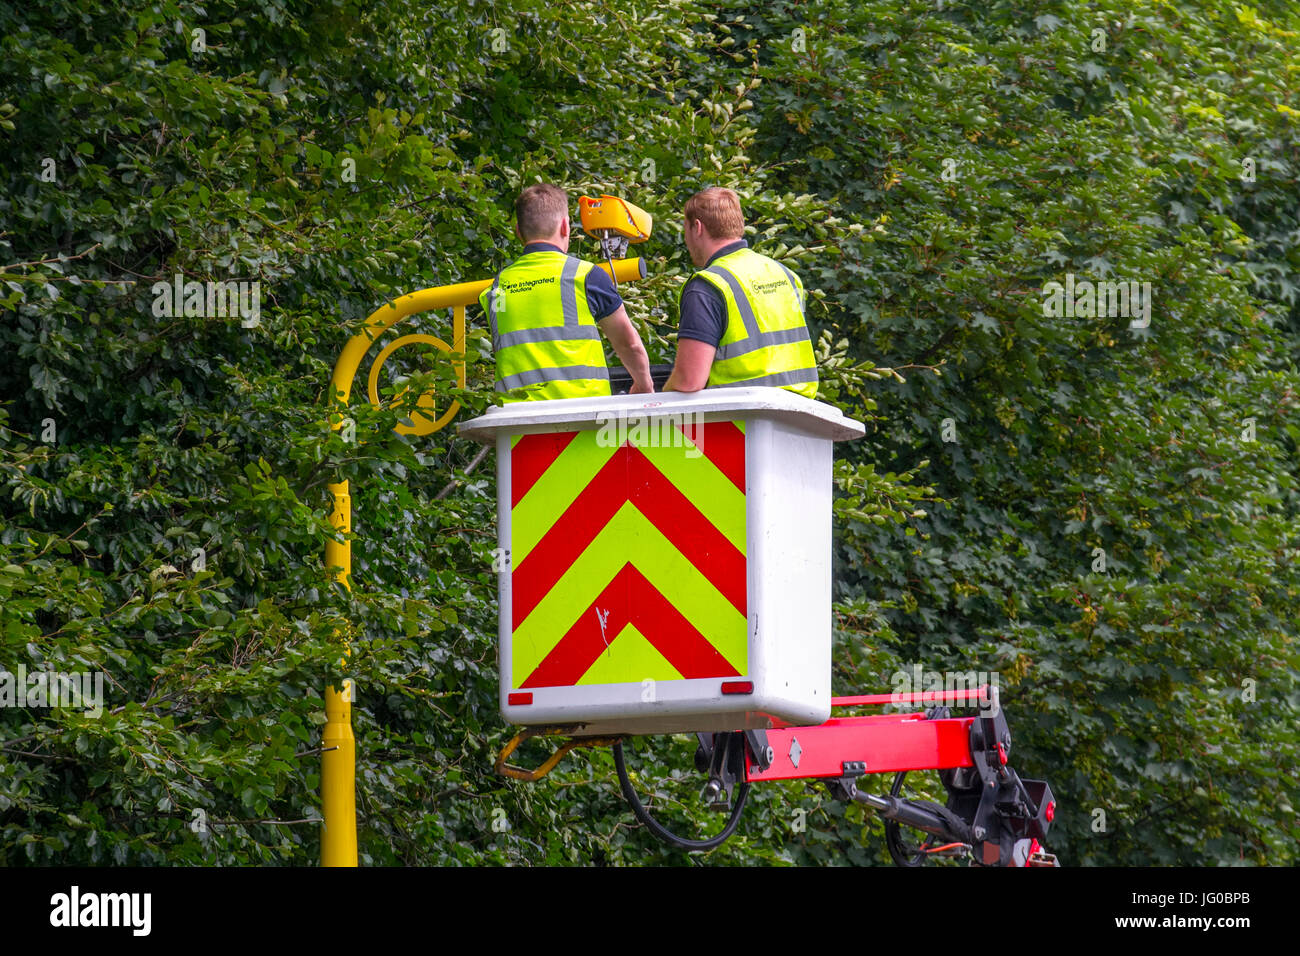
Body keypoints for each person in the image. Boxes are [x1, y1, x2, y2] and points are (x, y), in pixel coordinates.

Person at [480, 183, 653, 402]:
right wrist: (643, 383)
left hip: (516, 421)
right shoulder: (585, 275)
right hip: (582, 415)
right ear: (565, 227)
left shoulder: (497, 288)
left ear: (518, 232)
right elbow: (628, 344)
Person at [662, 187, 817, 398]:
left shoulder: (708, 286)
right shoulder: (786, 275)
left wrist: (659, 398)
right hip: (799, 415)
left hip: (741, 418)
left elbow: (689, 380)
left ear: (697, 227)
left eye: (685, 230)